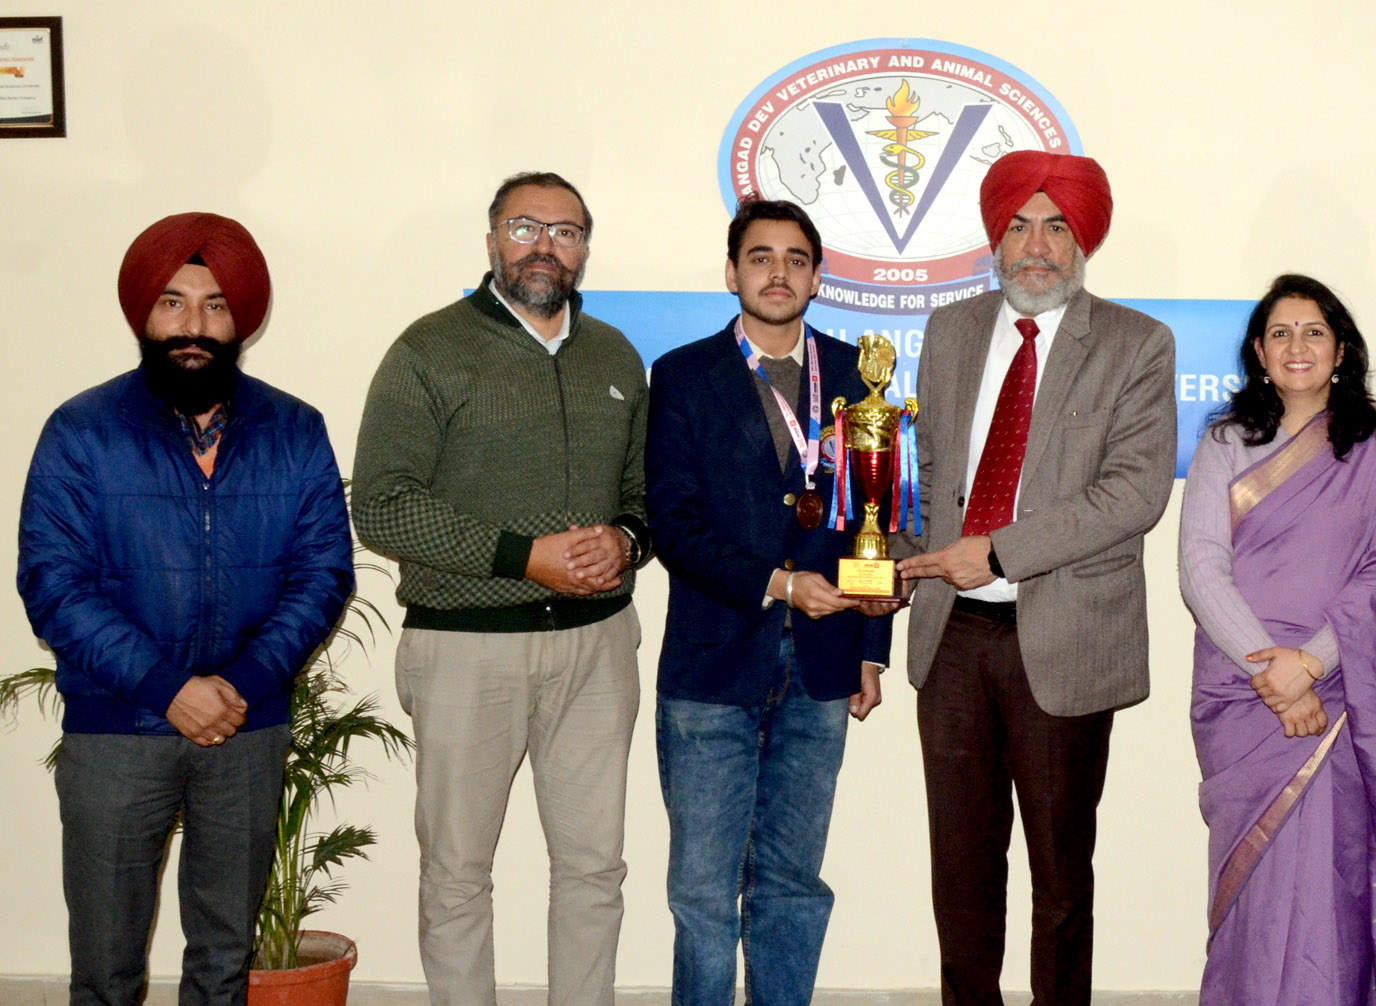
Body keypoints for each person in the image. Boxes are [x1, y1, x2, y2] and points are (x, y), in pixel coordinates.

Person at [17, 213, 353, 1005]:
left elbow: (322, 574)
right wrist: (168, 688)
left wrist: (243, 683)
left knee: (224, 960)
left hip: (247, 726)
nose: (193, 326)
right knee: (106, 964)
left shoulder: (294, 429)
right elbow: (54, 583)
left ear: (242, 319)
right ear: (144, 312)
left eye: (215, 305)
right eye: (172, 302)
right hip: (117, 728)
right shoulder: (82, 431)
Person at [352, 171, 651, 1006]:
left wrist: (626, 542)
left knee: (595, 867)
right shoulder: (428, 349)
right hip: (464, 649)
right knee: (457, 870)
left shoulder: (615, 355)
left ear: (584, 249)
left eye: (565, 232)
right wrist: (525, 557)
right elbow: (380, 505)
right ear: (492, 241)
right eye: (525, 227)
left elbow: (643, 494)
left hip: (596, 647)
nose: (544, 247)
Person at [893, 150, 1176, 1005]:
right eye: (1019, 225)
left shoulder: (1135, 343)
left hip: (1064, 641)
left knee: (1060, 878)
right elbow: (933, 471)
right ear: (996, 237)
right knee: (960, 873)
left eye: (1057, 227)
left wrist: (998, 551)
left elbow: (1133, 494)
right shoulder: (950, 331)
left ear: (1083, 239)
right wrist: (899, 556)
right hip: (952, 637)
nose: (1037, 247)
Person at [644, 197, 894, 1006]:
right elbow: (672, 524)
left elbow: (877, 522)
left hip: (823, 666)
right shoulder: (682, 375)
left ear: (817, 277)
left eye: (795, 259)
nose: (778, 272)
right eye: (760, 256)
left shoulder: (858, 376)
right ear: (732, 272)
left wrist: (870, 650)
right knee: (703, 890)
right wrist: (780, 584)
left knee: (793, 881)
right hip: (713, 663)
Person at [1179, 273, 1376, 1005]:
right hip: (1242, 697)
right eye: (1281, 333)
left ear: (1341, 350)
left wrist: (1313, 664)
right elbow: (1200, 566)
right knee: (1257, 890)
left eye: (1314, 332)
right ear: (1259, 352)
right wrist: (1273, 674)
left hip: (1344, 694)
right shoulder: (1226, 442)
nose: (1298, 346)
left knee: (1334, 881)